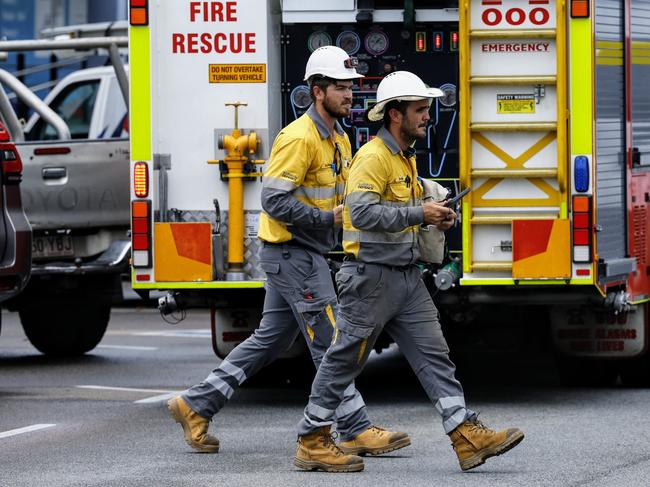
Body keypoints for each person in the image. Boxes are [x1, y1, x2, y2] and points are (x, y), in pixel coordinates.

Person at [167, 46, 410, 463]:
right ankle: (353, 428)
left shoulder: (338, 136)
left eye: (351, 87)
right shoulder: (299, 138)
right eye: (340, 87)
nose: (350, 94)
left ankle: (195, 404)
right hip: (293, 253)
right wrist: (325, 218)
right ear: (317, 92)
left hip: (302, 252)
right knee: (333, 342)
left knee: (269, 340)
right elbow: (273, 201)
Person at [294, 71, 524, 473]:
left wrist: (437, 217)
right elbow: (360, 212)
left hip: (404, 277)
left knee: (435, 355)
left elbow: (400, 214)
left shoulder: (404, 157)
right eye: (420, 110)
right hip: (369, 279)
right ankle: (313, 438)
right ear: (395, 115)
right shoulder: (373, 157)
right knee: (344, 359)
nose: (427, 117)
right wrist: (421, 212)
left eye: (428, 110)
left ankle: (465, 435)